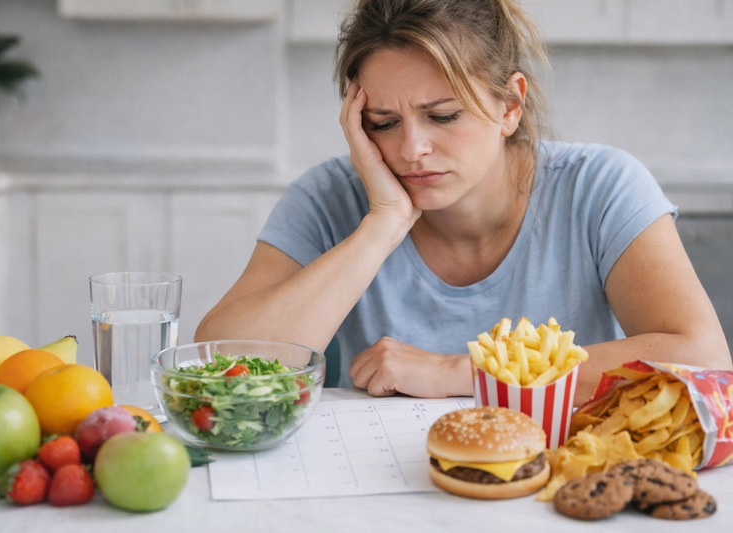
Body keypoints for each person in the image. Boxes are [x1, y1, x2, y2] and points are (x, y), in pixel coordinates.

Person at [195, 0, 732, 404]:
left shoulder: (601, 186)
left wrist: (465, 372)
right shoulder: (328, 197)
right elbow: (217, 362)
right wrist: (383, 224)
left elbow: (704, 359)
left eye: (443, 116)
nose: (411, 150)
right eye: (383, 123)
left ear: (510, 105)